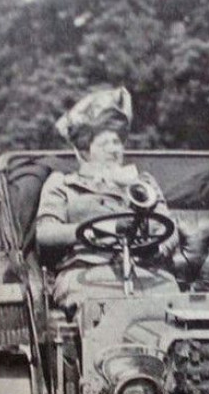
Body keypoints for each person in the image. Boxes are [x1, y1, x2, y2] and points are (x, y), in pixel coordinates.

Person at [36, 87, 178, 311]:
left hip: (144, 270)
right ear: (85, 151)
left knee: (171, 300)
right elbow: (45, 233)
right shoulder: (62, 183)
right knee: (104, 311)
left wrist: (153, 246)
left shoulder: (143, 183)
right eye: (105, 144)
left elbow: (169, 229)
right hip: (86, 273)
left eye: (118, 142)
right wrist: (95, 229)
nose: (114, 150)